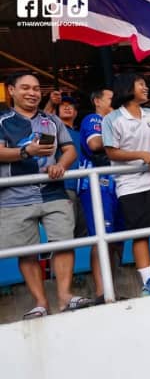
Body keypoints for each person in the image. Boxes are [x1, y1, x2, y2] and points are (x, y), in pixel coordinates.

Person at [0, 72, 92, 318]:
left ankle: (64, 296)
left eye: (36, 88)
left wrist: (61, 164)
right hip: (13, 196)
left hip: (53, 191)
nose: (32, 93)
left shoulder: (52, 120)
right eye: (26, 88)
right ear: (11, 90)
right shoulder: (2, 120)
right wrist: (25, 151)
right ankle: (41, 303)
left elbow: (70, 149)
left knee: (63, 241)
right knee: (26, 251)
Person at [102, 73, 150, 295]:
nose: (146, 88)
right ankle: (148, 280)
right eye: (141, 84)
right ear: (127, 87)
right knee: (140, 232)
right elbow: (111, 151)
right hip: (129, 184)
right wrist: (141, 155)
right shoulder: (112, 119)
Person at [79, 88, 125, 303]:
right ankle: (101, 292)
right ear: (97, 101)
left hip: (121, 184)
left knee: (117, 239)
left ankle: (111, 288)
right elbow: (95, 144)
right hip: (97, 186)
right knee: (102, 238)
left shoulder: (118, 120)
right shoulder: (94, 119)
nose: (115, 101)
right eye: (110, 98)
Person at [57, 96, 89, 240]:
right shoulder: (51, 130)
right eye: (62, 105)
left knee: (83, 229)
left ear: (76, 113)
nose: (67, 107)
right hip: (63, 186)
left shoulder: (81, 134)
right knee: (65, 231)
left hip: (83, 187)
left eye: (71, 105)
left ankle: (82, 263)